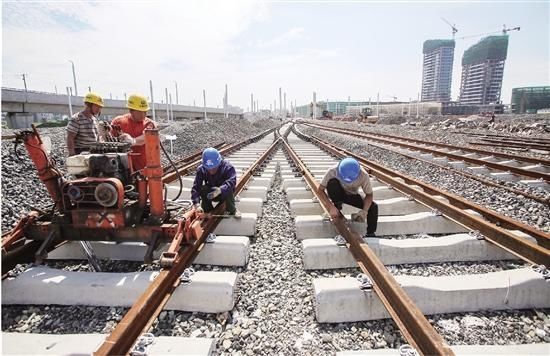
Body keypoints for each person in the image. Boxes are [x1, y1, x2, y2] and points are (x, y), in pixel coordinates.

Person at [318, 157, 378, 237]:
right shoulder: (332, 171)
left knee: (373, 206)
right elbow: (320, 190)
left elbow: (369, 195)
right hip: (338, 195)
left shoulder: (363, 175)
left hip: (352, 195)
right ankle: (337, 209)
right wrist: (331, 207)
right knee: (332, 183)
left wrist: (364, 211)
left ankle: (371, 233)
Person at [110, 94, 157, 171]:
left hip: (145, 167)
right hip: (124, 168)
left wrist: (133, 141)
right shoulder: (118, 122)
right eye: (140, 112)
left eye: (145, 111)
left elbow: (147, 137)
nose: (143, 114)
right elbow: (109, 138)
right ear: (131, 110)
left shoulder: (149, 123)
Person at [191, 147, 241, 218]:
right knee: (203, 189)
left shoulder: (227, 167)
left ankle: (232, 210)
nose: (211, 171)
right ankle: (207, 210)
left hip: (224, 194)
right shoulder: (201, 169)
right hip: (211, 194)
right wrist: (196, 204)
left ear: (219, 163)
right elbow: (196, 187)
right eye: (208, 169)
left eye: (213, 168)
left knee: (228, 187)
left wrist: (220, 190)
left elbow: (232, 181)